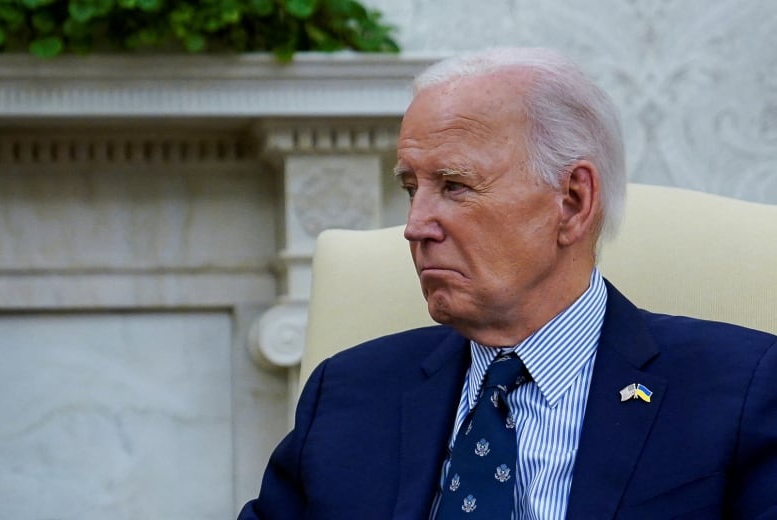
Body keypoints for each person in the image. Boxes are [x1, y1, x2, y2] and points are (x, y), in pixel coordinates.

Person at [238, 47, 777, 519]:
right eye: (411, 188)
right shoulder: (349, 392)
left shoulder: (742, 390)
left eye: (455, 185)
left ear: (572, 202)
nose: (415, 225)